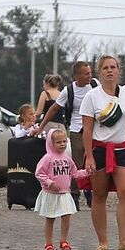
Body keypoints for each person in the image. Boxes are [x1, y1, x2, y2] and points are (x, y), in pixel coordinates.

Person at [82, 54, 125, 250]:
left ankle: (124, 241)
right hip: (100, 149)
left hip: (123, 148)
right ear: (100, 72)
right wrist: (89, 156)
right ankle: (103, 241)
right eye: (105, 67)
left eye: (113, 67)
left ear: (119, 71)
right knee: (99, 194)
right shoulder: (92, 96)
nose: (109, 70)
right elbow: (88, 129)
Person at [38, 60, 96, 206]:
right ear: (77, 76)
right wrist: (41, 126)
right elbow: (54, 109)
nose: (90, 76)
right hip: (77, 130)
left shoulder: (95, 86)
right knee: (75, 164)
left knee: (94, 161)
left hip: (95, 130)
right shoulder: (69, 91)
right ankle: (75, 196)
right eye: (86, 73)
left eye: (90, 73)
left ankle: (92, 191)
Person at [35, 126, 78, 250]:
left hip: (65, 193)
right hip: (51, 193)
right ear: (51, 143)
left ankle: (64, 240)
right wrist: (49, 183)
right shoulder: (47, 158)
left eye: (64, 141)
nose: (62, 144)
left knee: (66, 216)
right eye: (59, 142)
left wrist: (87, 172)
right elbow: (39, 173)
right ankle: (48, 243)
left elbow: (75, 173)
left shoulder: (67, 159)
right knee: (50, 218)